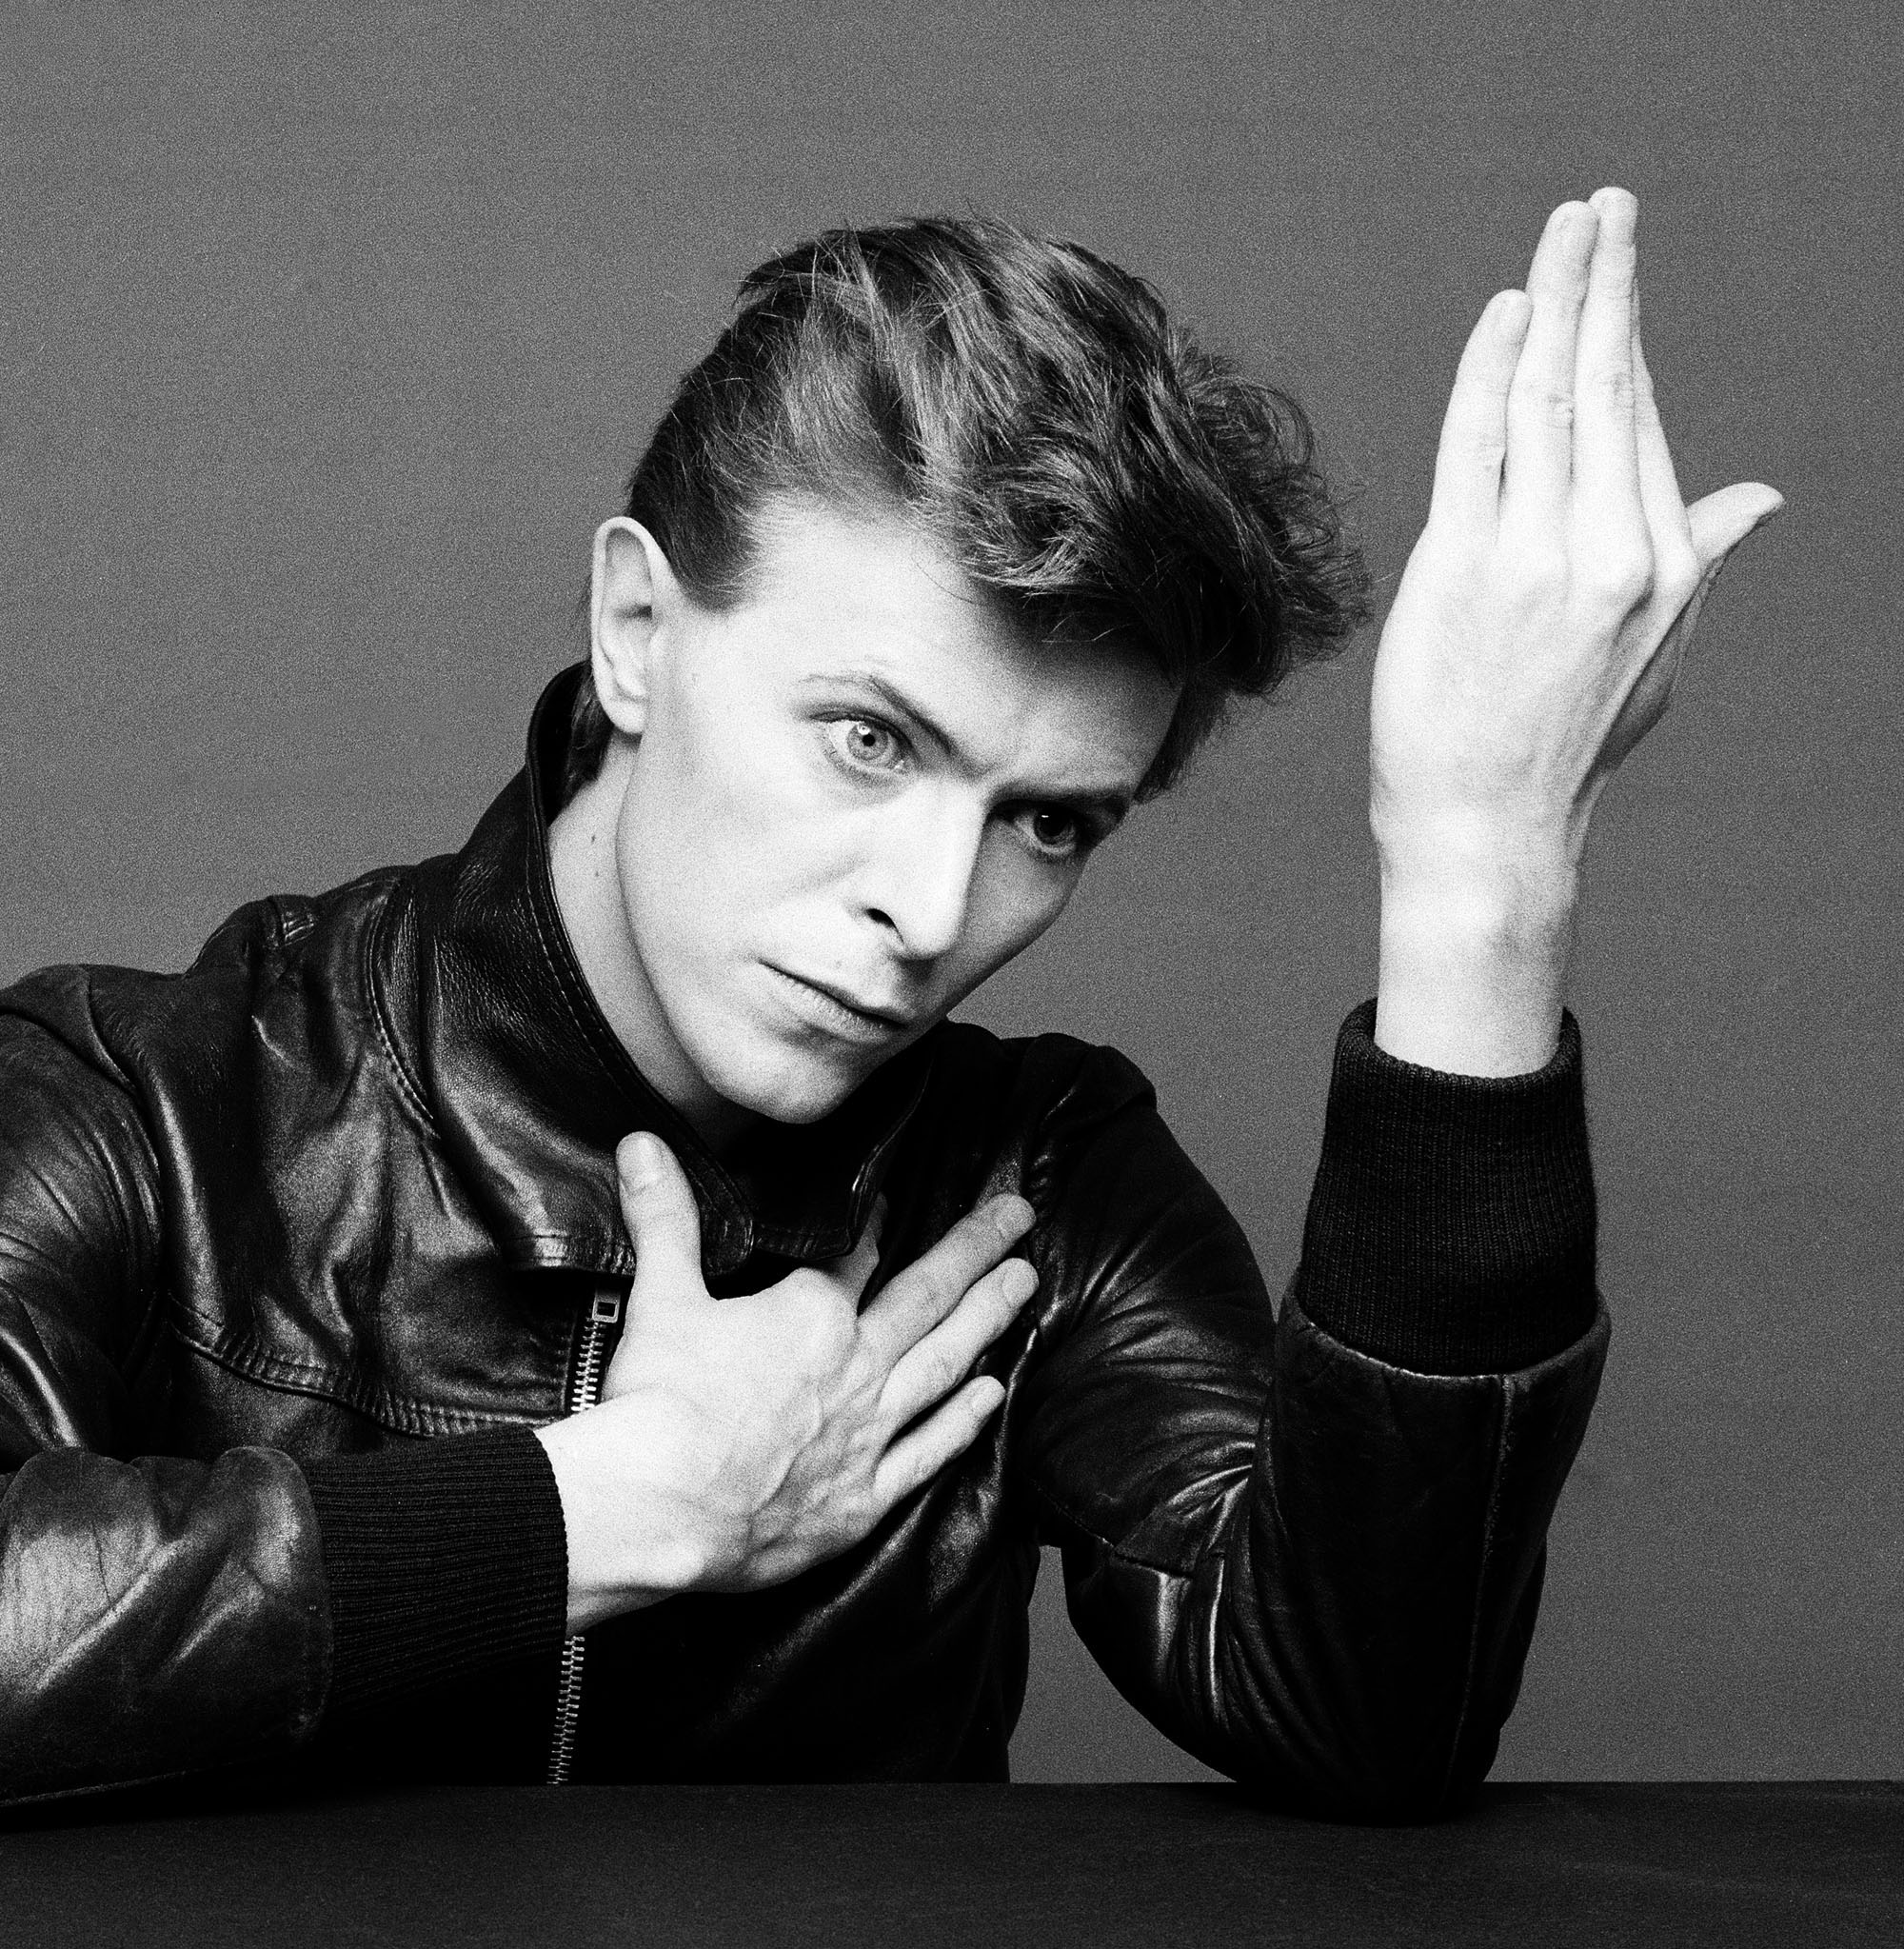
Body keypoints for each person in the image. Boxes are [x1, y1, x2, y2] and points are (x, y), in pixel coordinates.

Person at [0, 191, 1777, 1812]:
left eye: (1048, 822)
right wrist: (616, 1507)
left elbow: (1365, 1721)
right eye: (870, 740)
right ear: (636, 631)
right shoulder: (145, 1098)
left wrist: (1480, 867)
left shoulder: (1039, 1181)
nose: (930, 914)